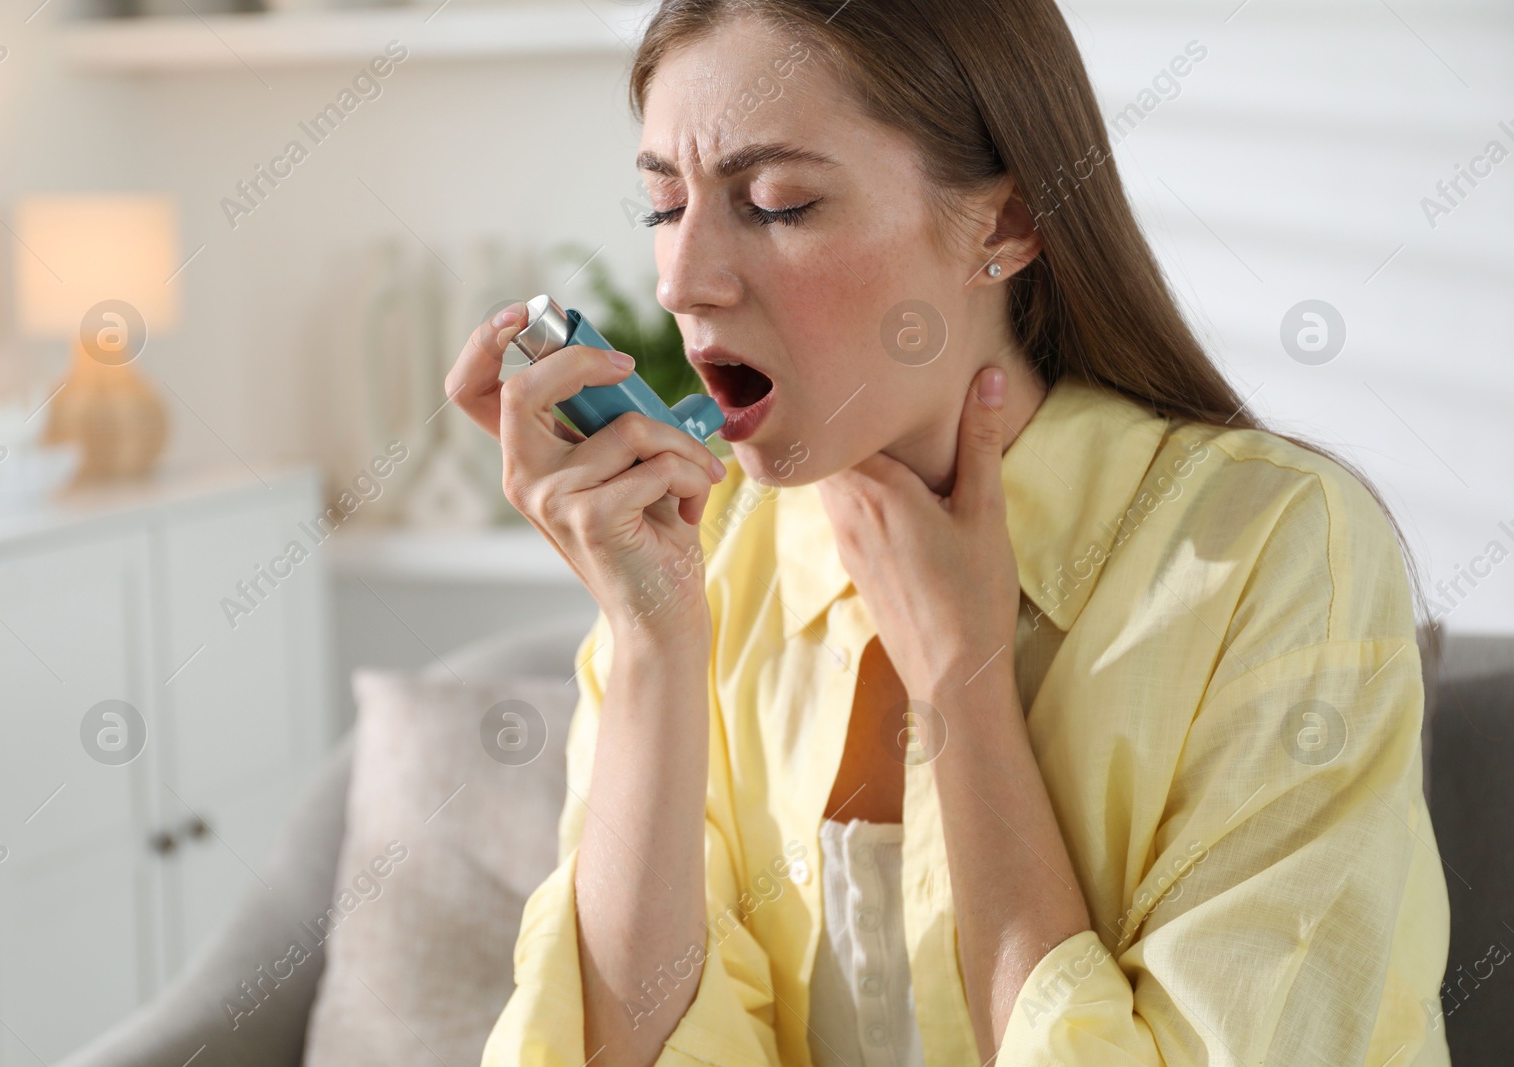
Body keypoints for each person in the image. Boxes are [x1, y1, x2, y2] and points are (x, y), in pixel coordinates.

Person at [445, 2, 1451, 1064]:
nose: (682, 278)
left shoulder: (1271, 555)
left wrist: (964, 688)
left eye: (778, 203)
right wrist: (651, 645)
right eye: (662, 205)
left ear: (1007, 225)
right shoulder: (706, 555)